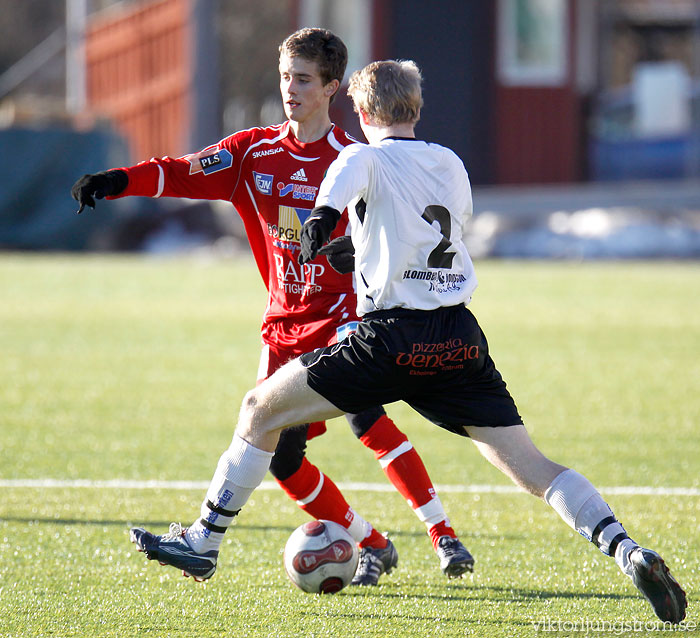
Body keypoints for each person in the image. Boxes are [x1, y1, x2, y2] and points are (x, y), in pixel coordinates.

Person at [125, 58, 688, 622]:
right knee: (532, 466)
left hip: (390, 337)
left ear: (362, 111)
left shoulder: (359, 155)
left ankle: (204, 541)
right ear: (415, 108)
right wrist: (363, 251)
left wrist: (321, 230)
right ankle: (627, 549)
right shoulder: (449, 161)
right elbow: (428, 232)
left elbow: (330, 201)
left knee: (259, 410)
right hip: (460, 338)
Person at [71, 28, 473, 586]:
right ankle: (372, 544)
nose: (291, 88)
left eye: (304, 79)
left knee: (366, 417)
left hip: (346, 323)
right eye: (285, 76)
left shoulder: (356, 160)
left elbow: (401, 229)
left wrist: (354, 252)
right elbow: (184, 171)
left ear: (333, 87)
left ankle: (440, 534)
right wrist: (119, 181)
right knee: (283, 459)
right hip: (282, 331)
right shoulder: (253, 152)